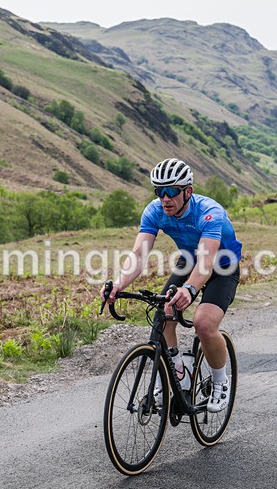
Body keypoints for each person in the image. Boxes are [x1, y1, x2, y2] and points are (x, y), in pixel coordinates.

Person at [101, 158, 242, 413]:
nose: (165, 198)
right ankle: (178, 372)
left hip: (222, 265)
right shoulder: (154, 211)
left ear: (188, 191)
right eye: (159, 191)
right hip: (190, 260)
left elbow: (206, 263)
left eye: (172, 191)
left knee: (203, 323)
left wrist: (189, 290)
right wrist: (119, 284)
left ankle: (221, 381)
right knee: (163, 313)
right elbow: (139, 254)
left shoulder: (209, 212)